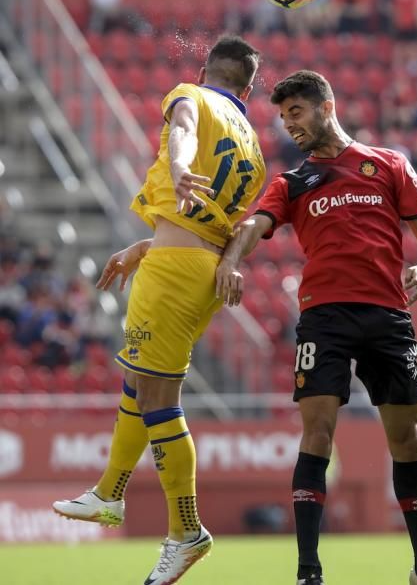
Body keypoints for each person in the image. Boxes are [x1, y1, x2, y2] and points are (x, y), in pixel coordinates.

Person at [215, 70, 417, 585]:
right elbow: (255, 225)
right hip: (324, 315)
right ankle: (308, 573)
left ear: (326, 106)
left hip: (388, 313)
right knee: (317, 432)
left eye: (295, 113)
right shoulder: (294, 181)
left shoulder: (388, 164)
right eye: (281, 118)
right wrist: (232, 259)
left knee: (406, 440)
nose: (288, 126)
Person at [52, 35, 266, 585]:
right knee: (142, 381)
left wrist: (175, 165)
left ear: (205, 71)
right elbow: (218, 228)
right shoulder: (253, 148)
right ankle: (109, 493)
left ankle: (186, 531)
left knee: (160, 399)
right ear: (249, 87)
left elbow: (185, 132)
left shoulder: (192, 97)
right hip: (195, 270)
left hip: (173, 276)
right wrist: (146, 246)